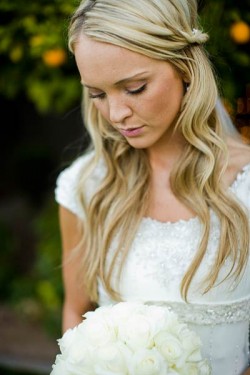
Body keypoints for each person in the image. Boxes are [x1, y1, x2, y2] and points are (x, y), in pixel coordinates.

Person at [55, 0, 250, 374]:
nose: (115, 114)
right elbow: (75, 312)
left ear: (185, 68)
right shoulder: (86, 186)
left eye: (134, 88)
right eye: (97, 94)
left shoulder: (245, 185)